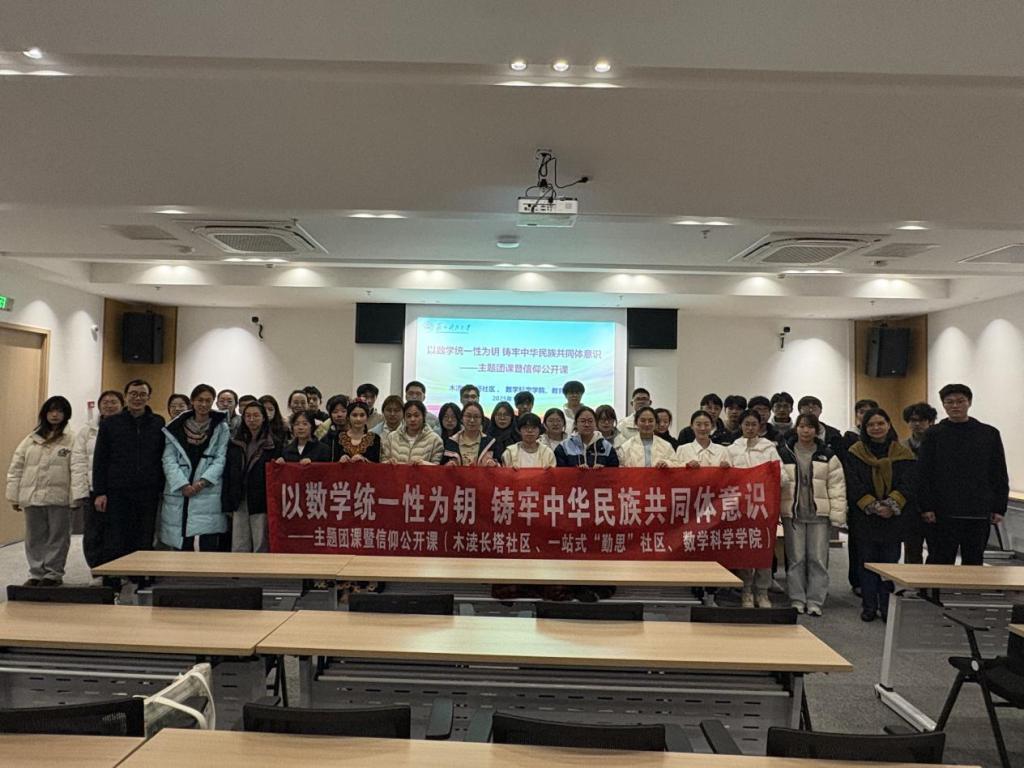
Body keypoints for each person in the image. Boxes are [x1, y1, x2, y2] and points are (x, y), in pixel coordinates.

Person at [917, 384, 1009, 566]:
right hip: (942, 510)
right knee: (939, 559)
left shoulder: (988, 433)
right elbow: (924, 473)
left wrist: (999, 507)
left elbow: (998, 472)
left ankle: (972, 587)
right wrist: (926, 506)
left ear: (969, 402)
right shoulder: (933, 434)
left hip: (978, 509)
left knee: (974, 560)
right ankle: (937, 586)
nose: (955, 406)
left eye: (960, 401)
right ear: (943, 405)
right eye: (949, 402)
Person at [845, 408, 916, 621]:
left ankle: (887, 607)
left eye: (880, 423)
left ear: (888, 425)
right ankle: (869, 606)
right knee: (866, 563)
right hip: (865, 517)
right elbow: (852, 483)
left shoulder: (903, 453)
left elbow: (909, 482)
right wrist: (873, 506)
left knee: (889, 564)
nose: (876, 428)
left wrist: (890, 505)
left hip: (893, 518)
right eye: (871, 425)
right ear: (864, 428)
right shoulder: (855, 452)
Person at [92, 379, 166, 568]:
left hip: (148, 490)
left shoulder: (158, 422)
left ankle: (140, 575)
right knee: (116, 535)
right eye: (133, 394)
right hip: (117, 490)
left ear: (149, 397)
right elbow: (100, 459)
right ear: (125, 397)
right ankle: (114, 576)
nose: (137, 398)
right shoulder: (110, 423)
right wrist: (100, 492)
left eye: (142, 394)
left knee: (144, 534)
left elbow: (162, 456)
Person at [778, 413, 846, 616]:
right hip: (793, 514)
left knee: (818, 559)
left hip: (819, 516)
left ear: (816, 430)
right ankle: (797, 599)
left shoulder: (828, 454)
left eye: (810, 427)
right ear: (796, 428)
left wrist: (838, 515)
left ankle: (815, 600)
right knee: (796, 559)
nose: (805, 430)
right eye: (802, 426)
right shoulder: (784, 453)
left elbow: (837, 486)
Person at [6, 396, 76, 586]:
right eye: (51, 410)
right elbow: (16, 467)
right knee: (34, 538)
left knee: (58, 537)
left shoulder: (72, 439)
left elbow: (77, 469)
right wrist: (14, 496)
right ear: (45, 413)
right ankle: (36, 573)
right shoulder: (30, 439)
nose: (55, 414)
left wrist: (76, 497)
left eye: (59, 411)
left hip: (59, 498)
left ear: (66, 414)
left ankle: (53, 573)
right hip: (32, 497)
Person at [159, 384, 230, 551]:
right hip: (180, 488)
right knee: (182, 541)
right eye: (199, 400)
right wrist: (182, 484)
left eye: (208, 400)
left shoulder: (221, 427)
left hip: (208, 488)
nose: (203, 404)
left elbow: (221, 458)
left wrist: (202, 482)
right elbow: (168, 459)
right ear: (192, 401)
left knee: (208, 541)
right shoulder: (175, 427)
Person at [728, 409, 787, 609]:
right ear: (741, 426)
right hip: (741, 507)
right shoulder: (732, 449)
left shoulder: (768, 448)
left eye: (754, 424)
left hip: (764, 508)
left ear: (760, 426)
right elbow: (726, 478)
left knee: (763, 551)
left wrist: (768, 476)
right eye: (747, 424)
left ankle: (762, 592)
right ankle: (746, 591)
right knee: (745, 551)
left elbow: (783, 476)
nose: (750, 428)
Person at [71, 389, 123, 569]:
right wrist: (81, 492)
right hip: (94, 490)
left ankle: (118, 571)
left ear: (122, 405)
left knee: (118, 532)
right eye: (105, 402)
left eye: (114, 402)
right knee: (93, 533)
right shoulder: (87, 431)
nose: (109, 406)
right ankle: (97, 569)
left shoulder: (127, 427)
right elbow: (78, 462)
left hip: (120, 490)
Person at [224, 402, 280, 552]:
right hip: (239, 496)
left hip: (261, 498)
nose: (252, 419)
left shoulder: (274, 443)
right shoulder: (235, 442)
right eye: (248, 416)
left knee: (260, 541)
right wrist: (227, 500)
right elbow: (228, 472)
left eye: (256, 415)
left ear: (263, 418)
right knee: (239, 542)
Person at [840, 397, 879, 595]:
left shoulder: (891, 443)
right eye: (861, 411)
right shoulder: (849, 439)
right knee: (858, 545)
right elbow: (849, 474)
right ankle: (858, 582)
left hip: (885, 503)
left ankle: (881, 583)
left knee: (882, 547)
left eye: (869, 412)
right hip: (859, 502)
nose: (865, 415)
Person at [900, 401, 937, 564]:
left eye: (921, 420)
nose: (917, 424)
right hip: (910, 503)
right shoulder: (901, 446)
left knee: (936, 548)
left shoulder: (938, 445)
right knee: (912, 548)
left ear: (930, 422)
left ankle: (932, 579)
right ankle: (912, 579)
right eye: (912, 420)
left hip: (934, 503)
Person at [554, 407, 619, 468]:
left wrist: (603, 470)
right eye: (583, 421)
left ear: (595, 423)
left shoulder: (607, 447)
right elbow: (559, 472)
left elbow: (614, 472)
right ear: (576, 424)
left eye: (590, 421)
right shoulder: (564, 447)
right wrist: (576, 471)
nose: (587, 425)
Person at [442, 402, 499, 466]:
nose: (472, 420)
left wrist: (494, 464)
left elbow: (500, 466)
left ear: (482, 420)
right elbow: (442, 466)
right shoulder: (451, 442)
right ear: (462, 419)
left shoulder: (490, 443)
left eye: (476, 417)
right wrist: (448, 465)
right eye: (468, 416)